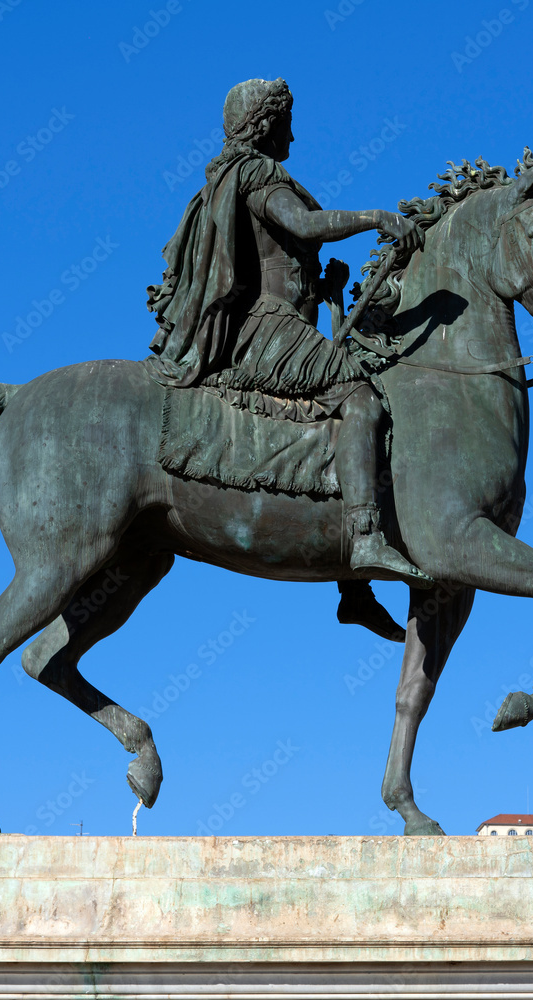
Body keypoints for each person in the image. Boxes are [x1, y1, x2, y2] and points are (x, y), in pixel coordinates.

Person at [146, 78, 431, 635]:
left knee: (343, 410)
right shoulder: (254, 173)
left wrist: (323, 284)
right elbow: (301, 225)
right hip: (265, 328)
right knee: (362, 398)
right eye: (287, 124)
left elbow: (282, 254)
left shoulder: (233, 179)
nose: (294, 137)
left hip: (283, 319)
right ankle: (368, 537)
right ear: (265, 124)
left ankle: (355, 592)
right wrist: (376, 217)